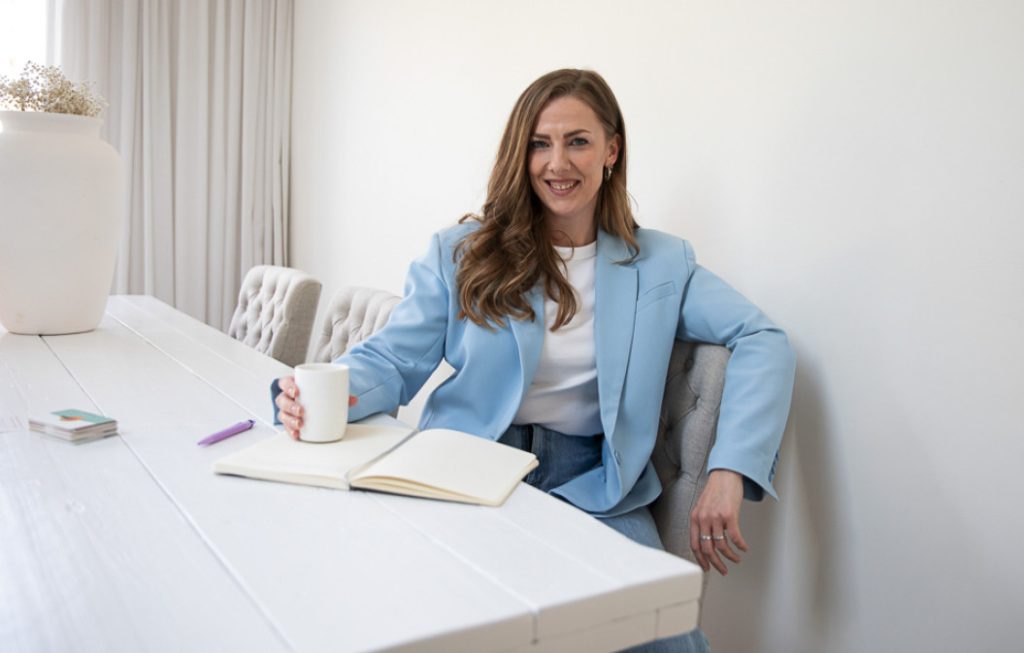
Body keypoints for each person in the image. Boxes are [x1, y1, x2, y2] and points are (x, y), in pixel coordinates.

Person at [273, 69, 795, 652]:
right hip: (467, 464)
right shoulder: (461, 252)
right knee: (426, 613)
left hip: (593, 485)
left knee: (669, 638)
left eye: (578, 141)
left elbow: (762, 337)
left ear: (611, 151)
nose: (557, 163)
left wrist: (730, 469)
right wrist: (324, 393)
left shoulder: (662, 263)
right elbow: (395, 358)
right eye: (540, 144)